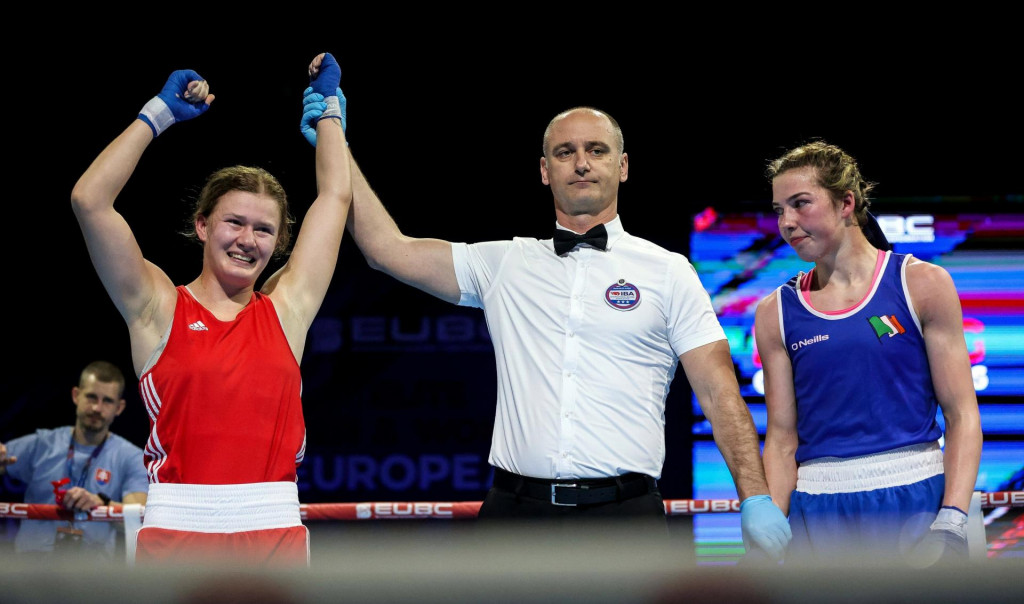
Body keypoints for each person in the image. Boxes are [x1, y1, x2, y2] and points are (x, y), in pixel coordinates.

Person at [299, 99, 791, 558]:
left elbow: (719, 390)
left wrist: (755, 497)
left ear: (622, 166)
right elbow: (387, 249)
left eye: (596, 150)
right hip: (515, 517)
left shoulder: (669, 271)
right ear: (543, 169)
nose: (581, 163)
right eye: (565, 152)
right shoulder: (504, 263)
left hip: (625, 519)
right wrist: (334, 140)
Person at [68, 52, 351, 566]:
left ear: (280, 241)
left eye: (264, 229)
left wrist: (329, 112)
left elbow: (335, 197)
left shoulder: (288, 309)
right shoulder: (155, 305)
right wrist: (158, 115)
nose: (248, 240)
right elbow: (90, 200)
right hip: (176, 530)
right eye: (234, 222)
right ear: (202, 225)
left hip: (273, 530)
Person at [755, 141, 983, 566]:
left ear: (846, 202)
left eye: (800, 204)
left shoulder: (923, 284)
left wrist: (952, 519)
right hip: (817, 507)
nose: (787, 222)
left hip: (918, 497)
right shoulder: (775, 313)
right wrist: (773, 526)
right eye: (778, 210)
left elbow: (962, 414)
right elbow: (782, 439)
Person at [0, 360, 148, 559]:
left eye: (107, 401)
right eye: (91, 397)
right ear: (76, 395)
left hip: (90, 578)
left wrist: (100, 504)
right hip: (31, 572)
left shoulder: (131, 457)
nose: (97, 407)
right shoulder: (42, 444)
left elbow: (136, 519)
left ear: (119, 408)